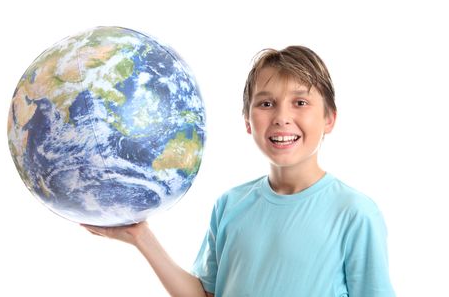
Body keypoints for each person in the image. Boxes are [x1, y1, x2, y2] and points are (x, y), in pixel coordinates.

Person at [82, 46, 395, 297]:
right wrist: (141, 237)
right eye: (266, 104)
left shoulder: (355, 214)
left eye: (300, 102)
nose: (282, 117)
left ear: (329, 119)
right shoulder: (230, 205)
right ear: (248, 122)